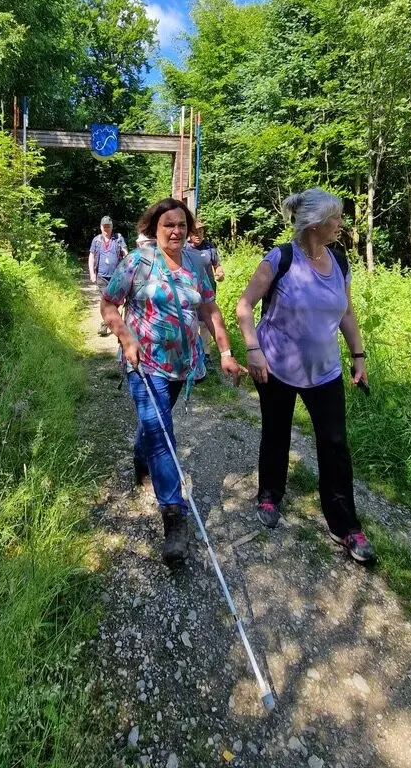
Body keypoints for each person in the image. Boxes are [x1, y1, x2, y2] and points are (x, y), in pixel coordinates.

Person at [100, 198, 245, 566]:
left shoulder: (195, 263)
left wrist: (226, 352)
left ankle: (140, 458)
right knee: (163, 434)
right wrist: (126, 339)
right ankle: (174, 518)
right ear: (155, 228)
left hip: (182, 366)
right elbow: (108, 304)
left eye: (182, 224)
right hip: (144, 364)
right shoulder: (137, 262)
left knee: (153, 428)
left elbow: (209, 309)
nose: (176, 231)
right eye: (169, 225)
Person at [235, 188, 376, 565]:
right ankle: (269, 495)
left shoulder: (340, 263)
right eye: (336, 218)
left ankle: (345, 525)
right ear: (315, 223)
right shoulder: (280, 259)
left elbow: (346, 313)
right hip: (275, 366)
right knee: (276, 432)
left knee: (335, 445)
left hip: (324, 371)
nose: (341, 224)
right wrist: (252, 349)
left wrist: (359, 357)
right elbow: (244, 306)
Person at [185, 220, 225, 365]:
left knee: (205, 321)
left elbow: (217, 266)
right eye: (195, 232)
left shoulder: (209, 248)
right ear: (189, 234)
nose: (199, 235)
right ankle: (191, 352)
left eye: (201, 232)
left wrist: (220, 274)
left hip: (207, 291)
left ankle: (206, 355)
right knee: (190, 321)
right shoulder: (183, 248)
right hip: (188, 291)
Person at [88, 216, 128, 336]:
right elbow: (91, 257)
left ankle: (107, 323)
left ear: (112, 227)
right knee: (106, 301)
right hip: (101, 277)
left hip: (117, 276)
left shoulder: (118, 239)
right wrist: (92, 273)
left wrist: (126, 259)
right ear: (101, 227)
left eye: (108, 226)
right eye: (104, 226)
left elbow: (126, 254)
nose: (106, 229)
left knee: (116, 301)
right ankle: (109, 325)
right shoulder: (96, 240)